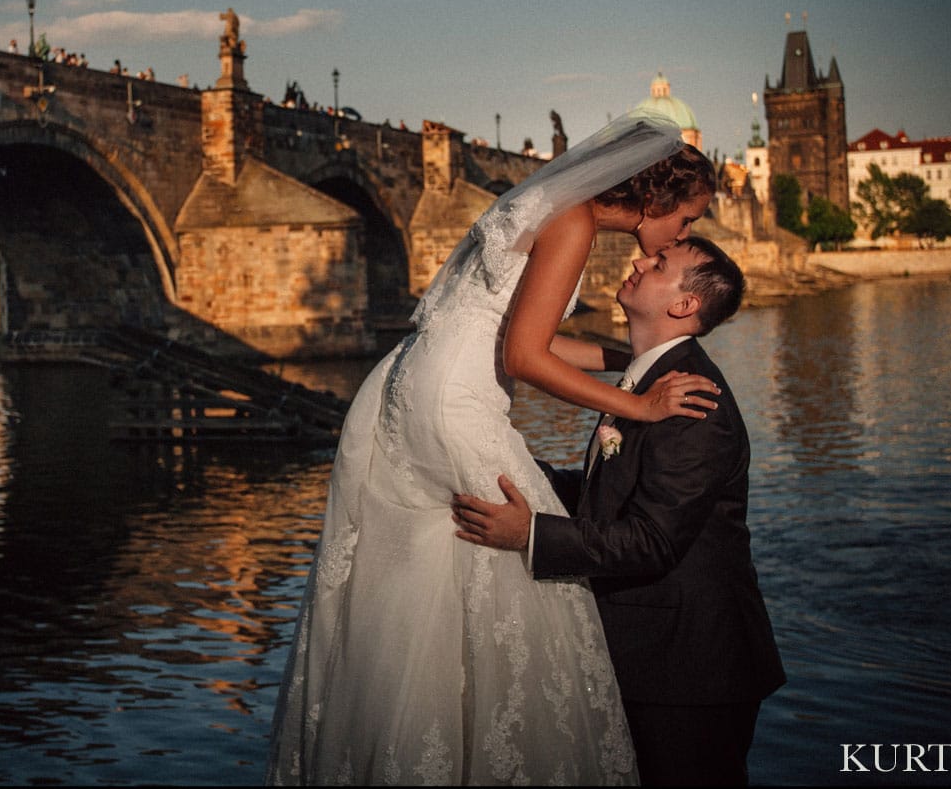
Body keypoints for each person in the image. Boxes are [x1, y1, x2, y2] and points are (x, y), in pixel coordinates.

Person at [266, 110, 719, 785]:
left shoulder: (549, 204)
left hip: (405, 385)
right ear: (653, 197)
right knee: (531, 569)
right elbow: (526, 356)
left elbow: (519, 333)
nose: (683, 233)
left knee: (432, 571)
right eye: (685, 219)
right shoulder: (574, 224)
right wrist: (639, 402)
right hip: (459, 400)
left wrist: (633, 357)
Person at [452, 236, 785, 786]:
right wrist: (507, 465)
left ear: (683, 306)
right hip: (656, 658)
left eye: (658, 266)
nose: (638, 261)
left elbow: (653, 540)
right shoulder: (652, 380)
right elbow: (611, 498)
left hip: (688, 671)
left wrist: (529, 534)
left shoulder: (693, 400)